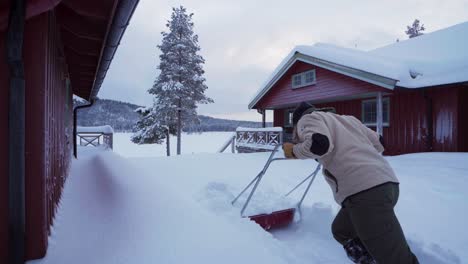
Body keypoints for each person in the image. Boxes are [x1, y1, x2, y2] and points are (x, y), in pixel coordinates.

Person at [282, 102, 419, 264]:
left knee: (397, 259)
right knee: (342, 230)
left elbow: (320, 144)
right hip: (387, 184)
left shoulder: (307, 119)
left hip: (365, 193)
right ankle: (370, 259)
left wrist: (293, 151)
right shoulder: (347, 120)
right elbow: (379, 142)